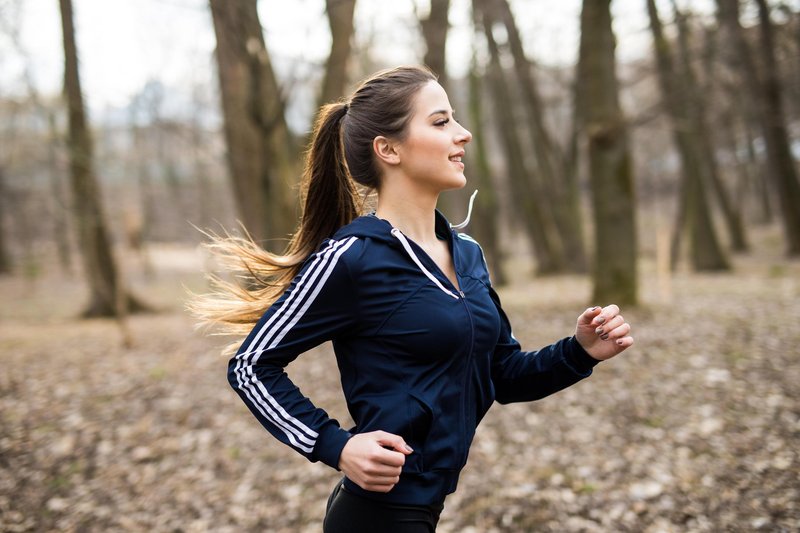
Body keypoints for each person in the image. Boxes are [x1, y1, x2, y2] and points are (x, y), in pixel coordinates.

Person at [192, 65, 634, 532]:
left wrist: (579, 351)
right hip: (377, 517)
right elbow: (250, 365)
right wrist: (335, 445)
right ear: (388, 149)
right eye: (441, 122)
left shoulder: (467, 254)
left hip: (428, 509)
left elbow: (503, 376)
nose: (462, 134)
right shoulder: (353, 257)